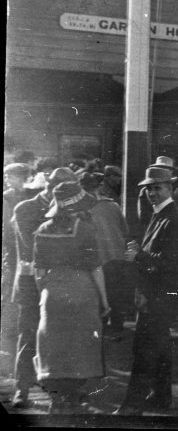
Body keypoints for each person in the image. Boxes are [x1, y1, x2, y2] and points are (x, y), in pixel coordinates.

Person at [115, 166, 178, 415]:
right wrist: (141, 253)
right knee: (160, 350)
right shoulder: (160, 214)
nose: (152, 193)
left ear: (170, 188)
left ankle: (132, 406)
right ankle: (160, 398)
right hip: (155, 296)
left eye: (157, 188)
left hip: (160, 298)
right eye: (148, 189)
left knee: (144, 353)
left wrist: (139, 256)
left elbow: (171, 264)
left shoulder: (173, 219)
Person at [32, 181, 110, 414]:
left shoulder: (42, 230)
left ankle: (57, 399)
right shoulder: (85, 229)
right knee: (80, 345)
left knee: (54, 345)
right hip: (82, 290)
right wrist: (104, 301)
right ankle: (74, 397)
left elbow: (38, 273)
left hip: (52, 293)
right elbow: (96, 269)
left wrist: (44, 295)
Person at [9, 167, 75, 408]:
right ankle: (21, 389)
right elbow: (34, 249)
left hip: (59, 283)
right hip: (30, 284)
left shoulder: (69, 209)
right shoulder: (25, 209)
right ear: (51, 189)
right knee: (28, 335)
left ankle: (58, 389)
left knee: (59, 335)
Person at [81, 171, 131, 334]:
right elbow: (125, 231)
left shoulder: (83, 210)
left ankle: (101, 326)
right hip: (116, 257)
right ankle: (117, 326)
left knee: (98, 293)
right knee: (115, 294)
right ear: (100, 187)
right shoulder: (113, 206)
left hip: (97, 259)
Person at [2, 164, 31, 376]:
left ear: (22, 177)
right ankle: (9, 332)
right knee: (10, 288)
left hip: (26, 249)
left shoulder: (31, 194)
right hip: (12, 250)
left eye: (10, 176)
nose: (6, 179)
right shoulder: (6, 197)